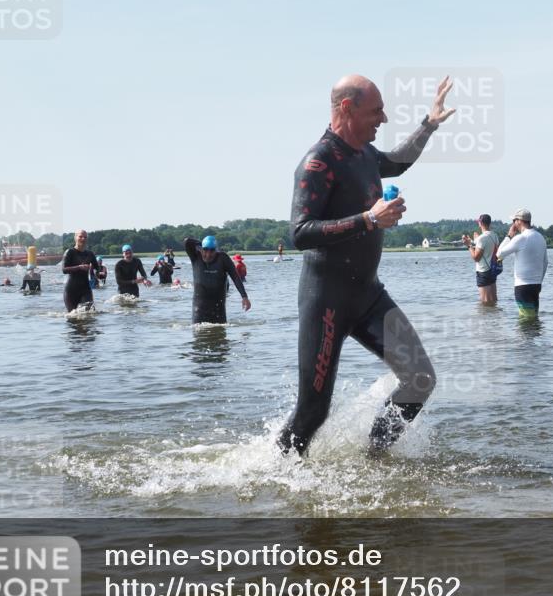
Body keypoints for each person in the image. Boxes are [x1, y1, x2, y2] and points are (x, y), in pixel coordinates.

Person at [277, 73, 455, 457]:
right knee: (312, 413)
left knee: (420, 378)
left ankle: (374, 456)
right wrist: (368, 219)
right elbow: (300, 232)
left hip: (368, 296)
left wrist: (429, 124)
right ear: (347, 108)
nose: (384, 119)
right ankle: (276, 473)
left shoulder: (364, 154)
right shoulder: (318, 162)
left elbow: (398, 161)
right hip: (326, 302)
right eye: (376, 111)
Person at [184, 235, 250, 323]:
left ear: (216, 250)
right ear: (201, 249)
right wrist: (201, 245)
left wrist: (244, 297)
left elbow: (235, 277)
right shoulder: (195, 257)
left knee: (219, 332)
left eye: (212, 251)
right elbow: (187, 241)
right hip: (199, 310)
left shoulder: (223, 259)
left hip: (219, 310)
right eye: (205, 250)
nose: (208, 254)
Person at [497, 208, 548, 318]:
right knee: (534, 319)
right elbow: (545, 263)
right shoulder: (540, 237)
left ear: (519, 221)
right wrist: (539, 281)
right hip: (536, 285)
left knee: (525, 321)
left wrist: (509, 236)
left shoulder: (521, 238)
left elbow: (499, 254)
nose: (513, 224)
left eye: (514, 221)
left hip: (523, 286)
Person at [461, 214, 499, 305]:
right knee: (493, 300)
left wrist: (469, 245)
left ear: (480, 223)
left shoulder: (482, 238)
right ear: (490, 223)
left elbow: (476, 258)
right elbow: (489, 250)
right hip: (493, 270)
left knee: (485, 302)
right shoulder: (494, 235)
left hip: (483, 271)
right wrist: (475, 241)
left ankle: (486, 319)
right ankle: (495, 319)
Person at [61, 230, 103, 311]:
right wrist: (79, 267)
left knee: (89, 315)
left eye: (85, 237)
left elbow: (97, 267)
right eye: (80, 236)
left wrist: (97, 274)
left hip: (86, 289)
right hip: (71, 290)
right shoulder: (69, 252)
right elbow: (64, 270)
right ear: (75, 238)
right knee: (73, 317)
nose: (83, 239)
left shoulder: (90, 254)